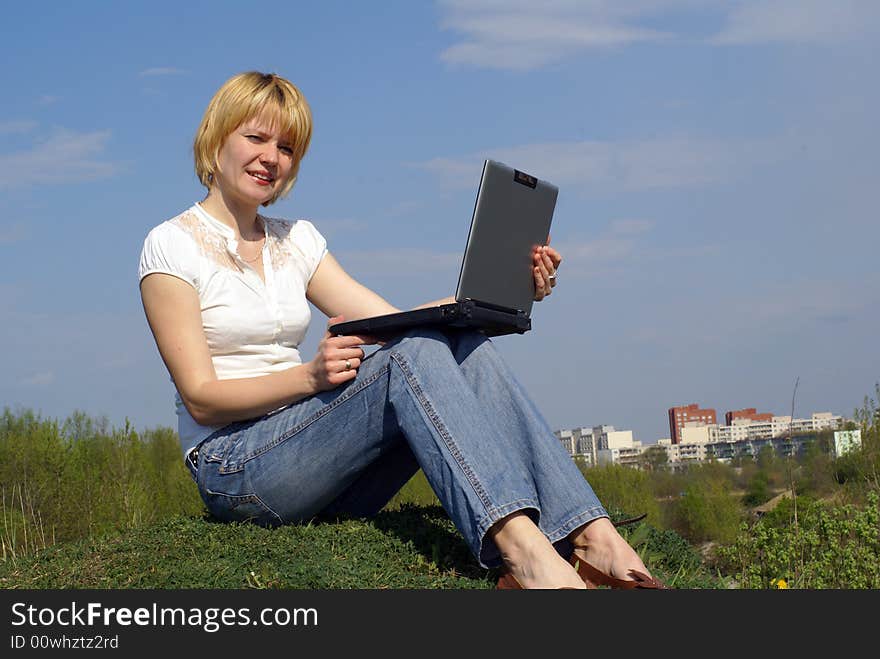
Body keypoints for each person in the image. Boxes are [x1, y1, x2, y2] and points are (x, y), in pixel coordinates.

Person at [138, 71, 666, 590]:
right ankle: (525, 556)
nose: (271, 157)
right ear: (216, 139)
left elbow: (398, 327)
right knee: (414, 354)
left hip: (317, 460)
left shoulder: (296, 240)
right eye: (255, 137)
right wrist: (311, 378)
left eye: (287, 146)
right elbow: (202, 399)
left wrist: (509, 285)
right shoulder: (171, 245)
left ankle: (596, 539)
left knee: (453, 344)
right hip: (236, 468)